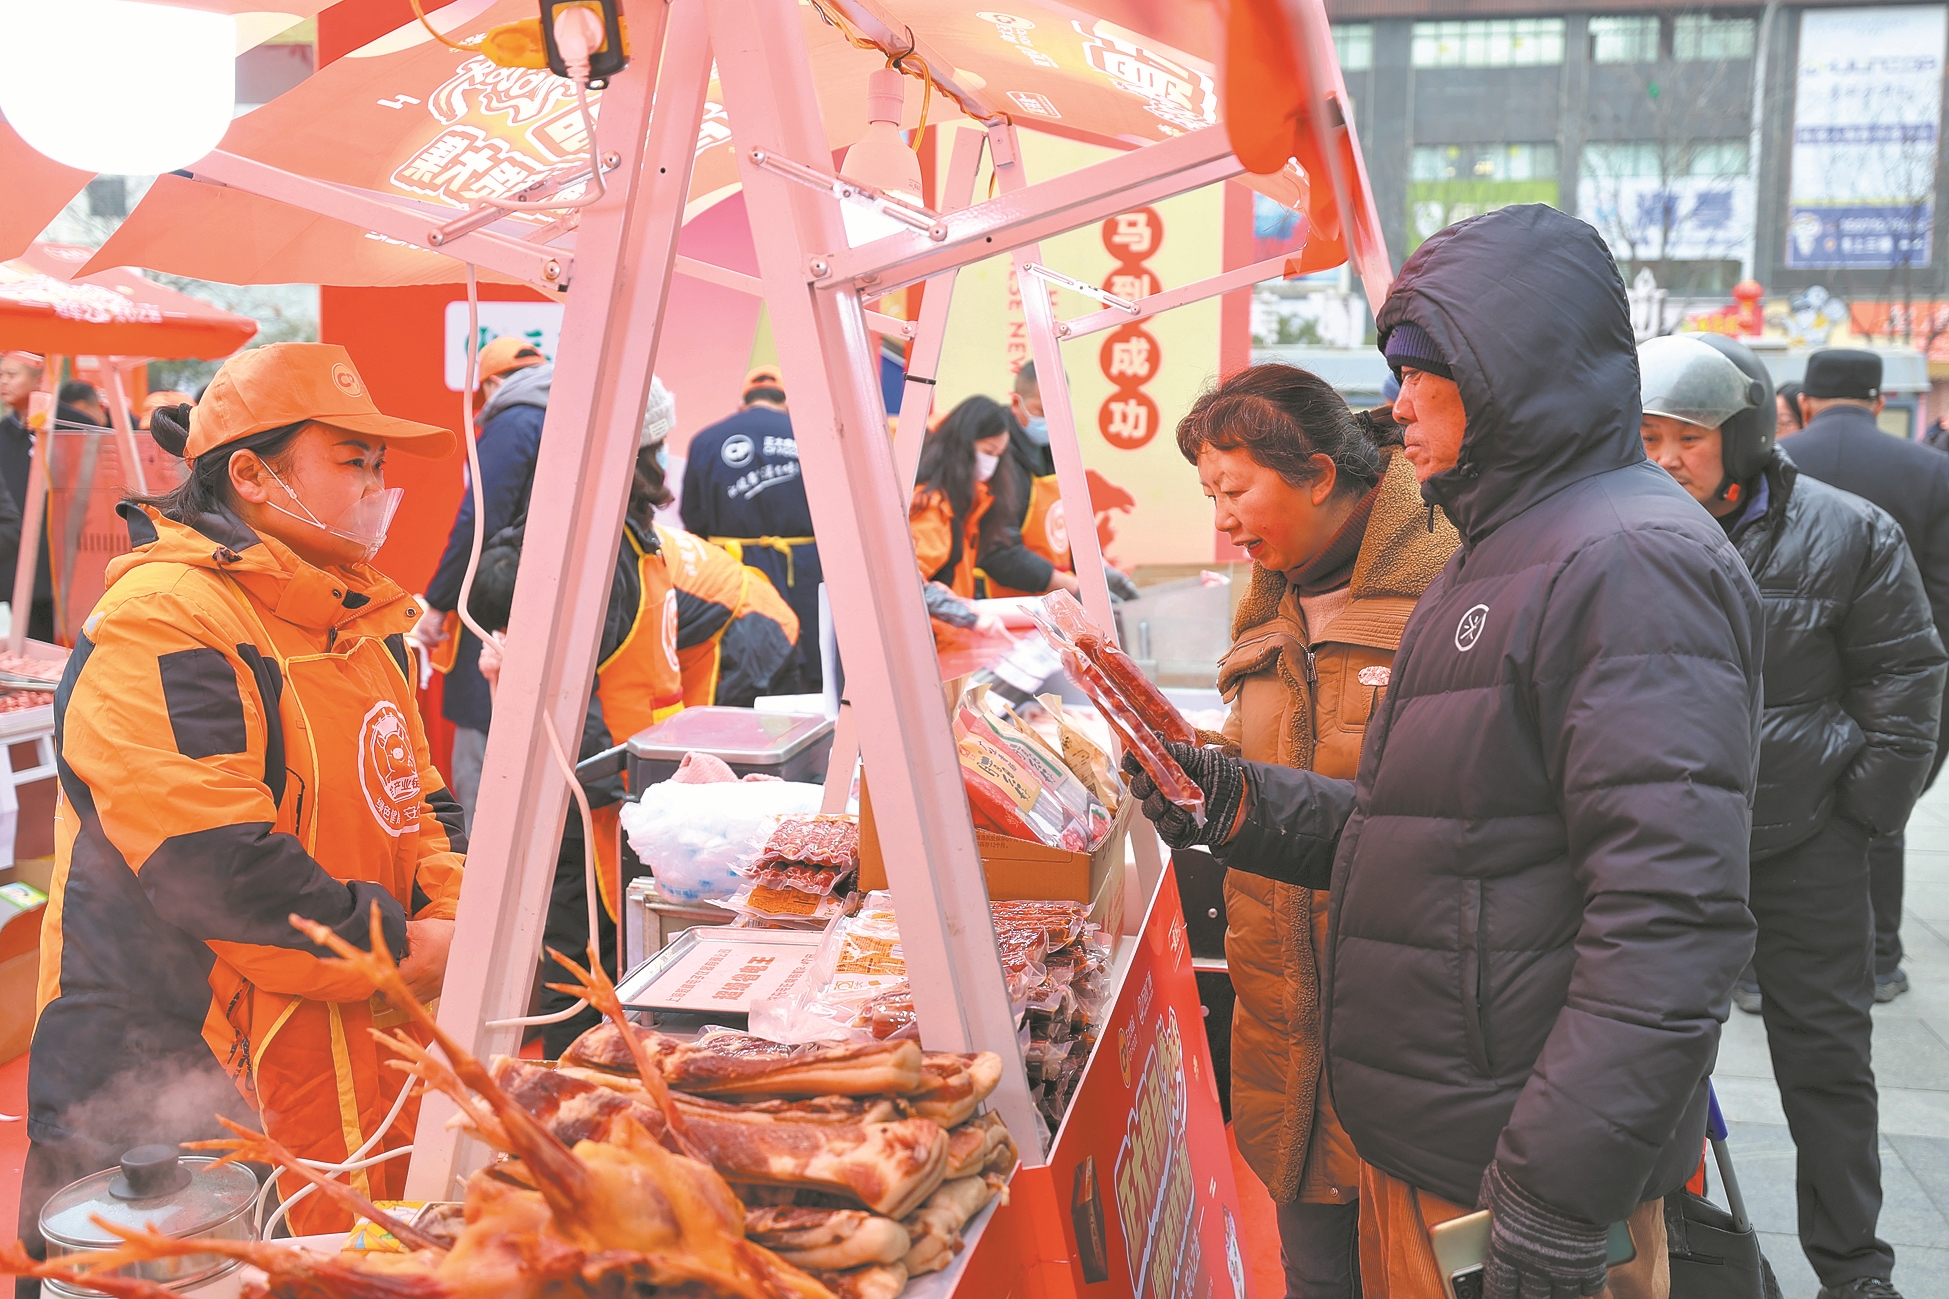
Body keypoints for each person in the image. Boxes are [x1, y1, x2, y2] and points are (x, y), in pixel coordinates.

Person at [1121, 206, 1764, 1299]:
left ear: (1509, 373)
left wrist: (1557, 1192)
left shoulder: (1626, 559)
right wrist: (1227, 800)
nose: (1397, 405)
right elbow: (1416, 833)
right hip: (1436, 1140)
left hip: (1509, 1165)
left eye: (1422, 374)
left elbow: (1669, 911)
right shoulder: (1499, 552)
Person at [22, 344, 465, 1277]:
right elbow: (212, 863)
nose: (377, 486)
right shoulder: (164, 619)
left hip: (350, 1048)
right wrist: (401, 947)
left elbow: (416, 798)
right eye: (353, 460)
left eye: (379, 463)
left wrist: (455, 916)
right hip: (169, 1075)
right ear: (255, 475)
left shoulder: (358, 623)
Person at [1639, 333, 1942, 1299]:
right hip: (1659, 850)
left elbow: (1907, 676)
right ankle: (1670, 1251)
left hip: (1807, 842)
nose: (1666, 458)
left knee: (1828, 1065)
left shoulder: (1849, 530)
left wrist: (1858, 815)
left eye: (1687, 437)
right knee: (1649, 1059)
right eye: (1647, 436)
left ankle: (1854, 1270)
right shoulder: (1615, 530)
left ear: (1742, 435)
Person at [1180, 363, 1457, 1298]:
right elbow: (1263, 749)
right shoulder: (1270, 596)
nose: (1224, 519)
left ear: (1318, 474)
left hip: (1411, 1039)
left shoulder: (1449, 589)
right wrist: (1195, 773)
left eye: (1235, 489)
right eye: (1211, 495)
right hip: (1282, 1031)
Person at [466, 438, 686, 1055]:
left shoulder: (626, 539)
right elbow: (569, 682)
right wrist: (601, 784)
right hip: (596, 790)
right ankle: (576, 1087)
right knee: (583, 961)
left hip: (627, 783)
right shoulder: (603, 550)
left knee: (606, 955)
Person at [1779, 349, 1949, 1005]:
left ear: (1806, 402)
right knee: (1881, 814)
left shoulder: (1777, 461)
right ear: (1879, 402)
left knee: (1775, 806)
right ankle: (1878, 959)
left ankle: (1759, 966)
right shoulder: (1932, 470)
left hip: (1790, 673)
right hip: (1895, 674)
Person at [413, 335, 555, 834]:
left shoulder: (514, 421)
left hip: (500, 603)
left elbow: (478, 521)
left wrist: (437, 603)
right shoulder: (567, 422)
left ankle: (480, 870)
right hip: (553, 607)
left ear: (493, 384)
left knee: (483, 749)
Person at [682, 366, 823, 691]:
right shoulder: (813, 434)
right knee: (809, 662)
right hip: (805, 569)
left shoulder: (706, 439)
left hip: (735, 567)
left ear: (742, 404)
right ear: (787, 403)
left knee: (743, 658)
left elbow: (693, 515)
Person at [912, 395, 1083, 601]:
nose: (991, 463)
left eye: (998, 455)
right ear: (962, 444)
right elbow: (913, 582)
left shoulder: (977, 500)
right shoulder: (933, 505)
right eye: (988, 452)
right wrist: (960, 613)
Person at [1, 351, 98, 641]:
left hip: (72, 557)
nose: (3, 382)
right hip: (16, 561)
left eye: (11, 375)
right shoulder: (3, 433)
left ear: (39, 378)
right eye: (1, 375)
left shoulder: (76, 427)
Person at [1010, 360, 1054, 477]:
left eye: (1057, 414)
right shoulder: (998, 445)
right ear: (1016, 403)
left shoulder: (1057, 448)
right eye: (1042, 411)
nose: (1050, 420)